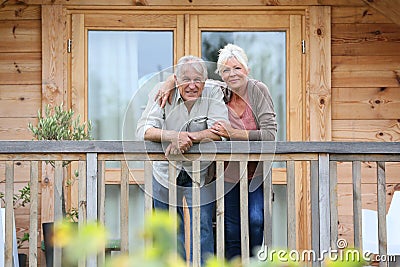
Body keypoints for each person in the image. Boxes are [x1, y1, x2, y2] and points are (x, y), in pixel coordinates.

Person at [156, 44, 277, 260]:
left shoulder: (258, 90)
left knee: (256, 220)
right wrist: (169, 82)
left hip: (254, 173)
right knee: (230, 229)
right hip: (226, 173)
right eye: (226, 70)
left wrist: (232, 133)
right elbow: (191, 80)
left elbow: (270, 135)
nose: (232, 74)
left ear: (246, 69)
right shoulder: (220, 90)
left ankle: (254, 263)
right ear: (220, 75)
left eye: (237, 68)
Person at [136, 55, 229, 264]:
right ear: (176, 81)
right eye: (186, 80)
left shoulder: (213, 91)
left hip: (200, 171)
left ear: (205, 82)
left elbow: (221, 130)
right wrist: (172, 136)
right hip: (165, 170)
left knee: (203, 225)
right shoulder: (162, 91)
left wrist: (190, 139)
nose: (192, 85)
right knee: (169, 229)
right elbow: (143, 130)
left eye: (198, 80)